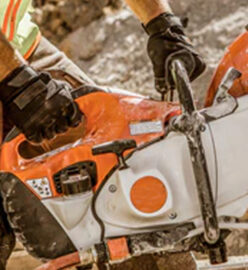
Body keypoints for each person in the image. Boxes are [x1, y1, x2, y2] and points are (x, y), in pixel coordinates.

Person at [0, 0, 205, 269]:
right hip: (11, 61)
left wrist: (161, 22)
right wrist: (18, 83)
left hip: (20, 46)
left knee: (118, 176)